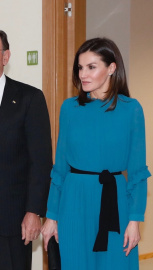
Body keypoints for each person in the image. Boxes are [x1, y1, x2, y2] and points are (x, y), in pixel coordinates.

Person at [41, 37, 151, 269]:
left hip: (114, 201)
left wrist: (135, 219)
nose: (83, 74)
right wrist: (52, 214)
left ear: (112, 68)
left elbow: (138, 171)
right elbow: (59, 168)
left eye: (91, 67)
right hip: (73, 202)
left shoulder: (131, 109)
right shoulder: (69, 108)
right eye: (80, 67)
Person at [0, 30, 52, 270]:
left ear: (5, 56)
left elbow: (40, 163)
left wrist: (34, 211)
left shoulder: (29, 98)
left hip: (12, 220)